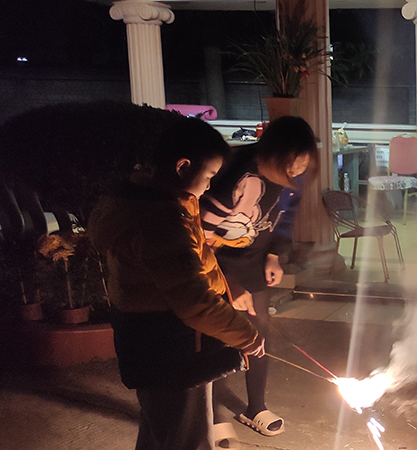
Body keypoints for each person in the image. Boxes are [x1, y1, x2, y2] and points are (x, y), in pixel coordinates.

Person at [89, 117, 266, 450]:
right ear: (183, 167)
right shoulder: (162, 221)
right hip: (172, 348)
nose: (210, 186)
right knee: (187, 438)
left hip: (154, 344)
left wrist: (226, 288)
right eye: (209, 175)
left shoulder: (150, 202)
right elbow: (193, 300)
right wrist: (246, 336)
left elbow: (191, 268)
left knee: (161, 433)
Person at [200, 115, 318, 436]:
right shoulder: (237, 176)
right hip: (215, 262)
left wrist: (274, 255)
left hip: (252, 259)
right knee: (217, 336)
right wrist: (230, 283)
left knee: (258, 335)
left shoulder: (293, 179)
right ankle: (212, 415)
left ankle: (256, 407)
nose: (297, 172)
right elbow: (199, 240)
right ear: (272, 154)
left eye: (303, 165)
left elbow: (285, 218)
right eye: (292, 164)